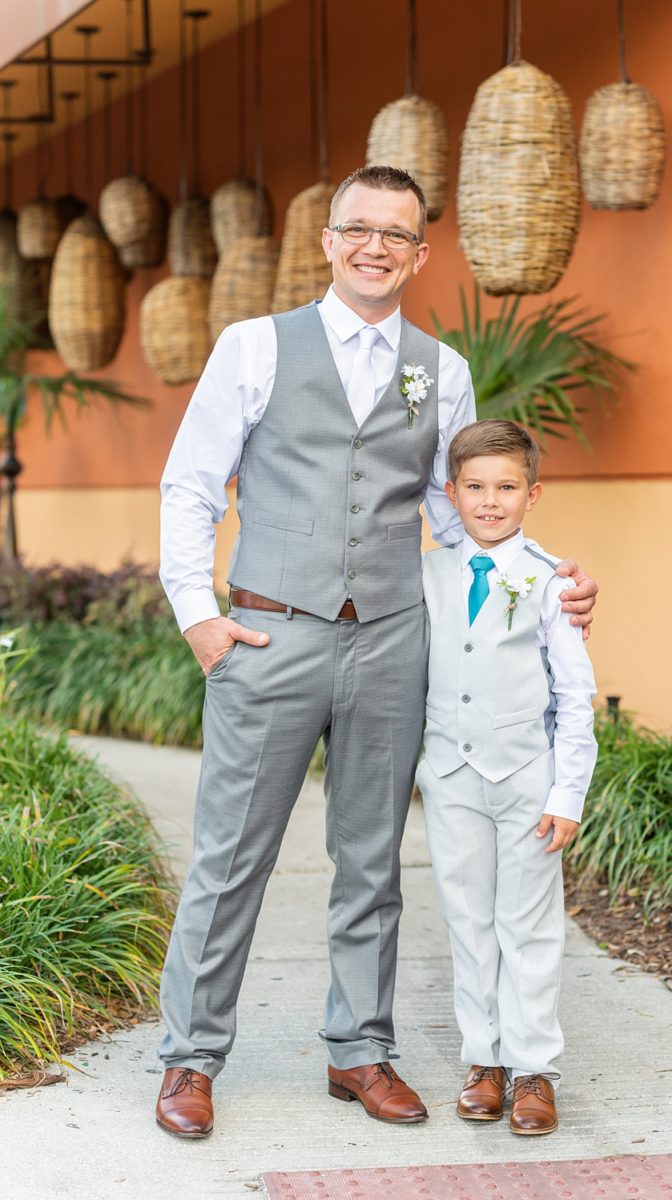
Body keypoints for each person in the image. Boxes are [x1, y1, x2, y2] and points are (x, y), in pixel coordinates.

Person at [155, 165, 598, 1139]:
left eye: (398, 234)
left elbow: (456, 508)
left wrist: (547, 577)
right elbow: (193, 485)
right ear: (329, 238)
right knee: (232, 856)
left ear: (419, 252)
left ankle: (359, 1048)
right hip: (270, 633)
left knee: (371, 860)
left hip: (393, 641)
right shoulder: (254, 346)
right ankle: (190, 1058)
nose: (376, 247)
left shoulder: (438, 369)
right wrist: (199, 614)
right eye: (360, 228)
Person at [416, 419, 597, 1136]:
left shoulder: (551, 581)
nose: (490, 502)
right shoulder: (425, 574)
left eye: (505, 488)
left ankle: (533, 1070)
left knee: (527, 925)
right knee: (468, 922)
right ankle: (482, 1060)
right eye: (475, 487)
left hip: (526, 777)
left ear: (532, 493)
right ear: (452, 493)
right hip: (451, 778)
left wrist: (566, 796)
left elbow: (573, 695)